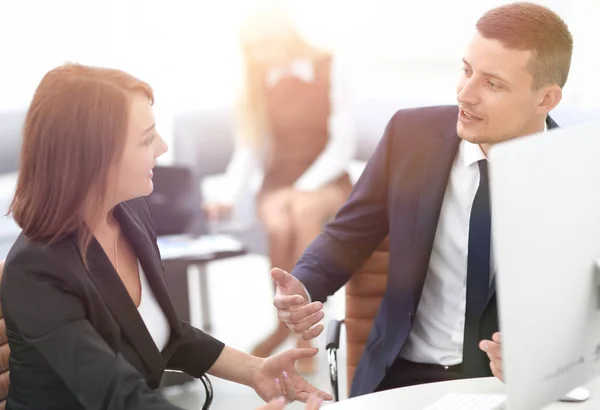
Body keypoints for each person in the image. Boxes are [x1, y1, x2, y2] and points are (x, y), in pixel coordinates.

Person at [269, 1, 573, 398]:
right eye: (466, 70)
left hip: (513, 386)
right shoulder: (410, 135)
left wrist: (548, 356)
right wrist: (304, 287)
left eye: (492, 84)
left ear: (546, 99)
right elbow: (349, 234)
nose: (465, 94)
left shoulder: (579, 175)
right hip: (402, 375)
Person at [0, 64, 332, 409]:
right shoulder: (36, 269)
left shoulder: (131, 213)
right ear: (94, 156)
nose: (162, 147)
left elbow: (162, 334)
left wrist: (255, 370)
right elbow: (117, 396)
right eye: (146, 138)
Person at [203, 2, 357, 372]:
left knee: (302, 211)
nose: (260, 55)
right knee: (278, 221)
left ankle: (305, 328)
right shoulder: (257, 82)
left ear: (285, 36)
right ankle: (284, 322)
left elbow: (343, 143)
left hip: (326, 178)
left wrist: (303, 187)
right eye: (253, 48)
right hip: (278, 182)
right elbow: (251, 148)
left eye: (266, 44)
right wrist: (227, 195)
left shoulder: (329, 65)